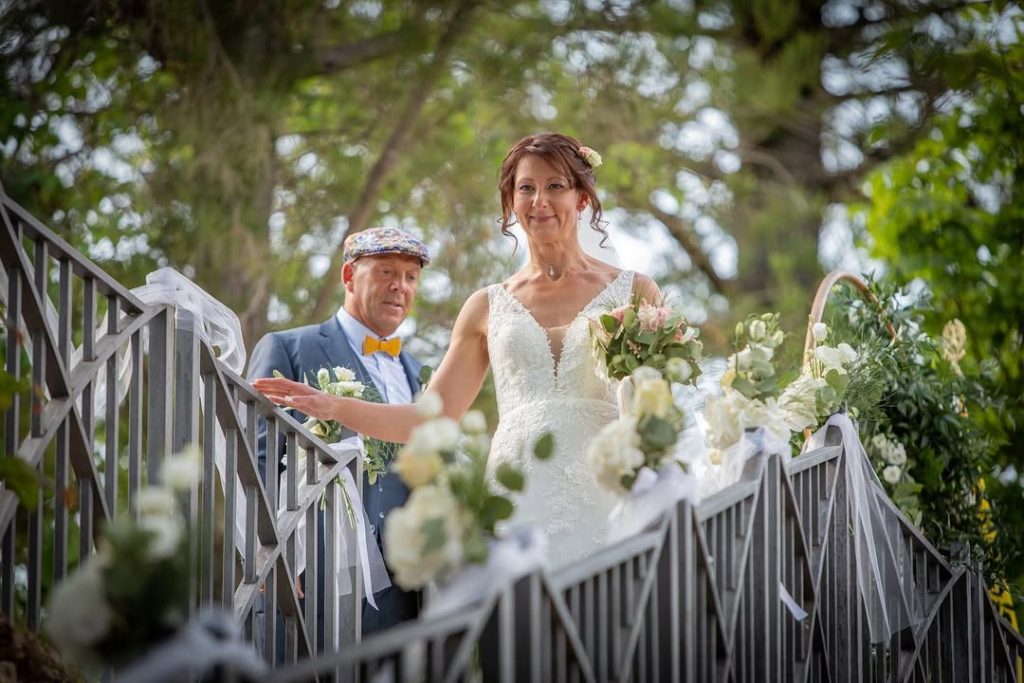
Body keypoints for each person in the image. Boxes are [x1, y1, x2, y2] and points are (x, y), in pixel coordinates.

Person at [254, 132, 660, 570]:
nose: (539, 200)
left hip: (609, 493)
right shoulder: (486, 306)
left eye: (555, 186)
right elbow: (430, 418)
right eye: (526, 188)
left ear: (581, 198)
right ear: (511, 203)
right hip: (518, 499)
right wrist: (334, 406)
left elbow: (660, 413)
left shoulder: (634, 292)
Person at [246, 227, 429, 641]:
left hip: (404, 597)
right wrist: (266, 551)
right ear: (349, 276)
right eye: (386, 271)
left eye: (411, 277)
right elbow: (257, 459)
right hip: (310, 578)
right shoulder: (289, 348)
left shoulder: (421, 373)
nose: (400, 286)